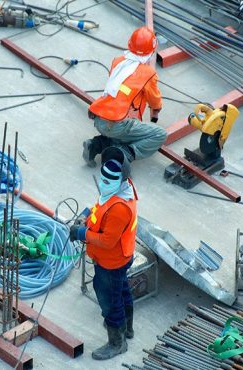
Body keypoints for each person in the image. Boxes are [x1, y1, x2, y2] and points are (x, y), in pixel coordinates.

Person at [70, 147, 138, 360]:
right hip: (120, 258)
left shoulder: (120, 208)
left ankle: (117, 343)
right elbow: (101, 206)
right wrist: (87, 215)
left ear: (121, 180)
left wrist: (82, 232)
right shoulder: (121, 190)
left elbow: (108, 241)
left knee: (110, 300)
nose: (103, 184)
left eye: (109, 181)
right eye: (103, 179)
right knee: (122, 290)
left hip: (111, 261)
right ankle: (127, 328)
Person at [83, 27, 167, 167]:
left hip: (99, 118)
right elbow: (154, 100)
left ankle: (95, 145)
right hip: (117, 124)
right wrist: (156, 111)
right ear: (152, 51)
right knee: (159, 134)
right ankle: (125, 153)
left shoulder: (118, 61)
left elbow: (120, 88)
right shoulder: (148, 73)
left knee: (124, 131)